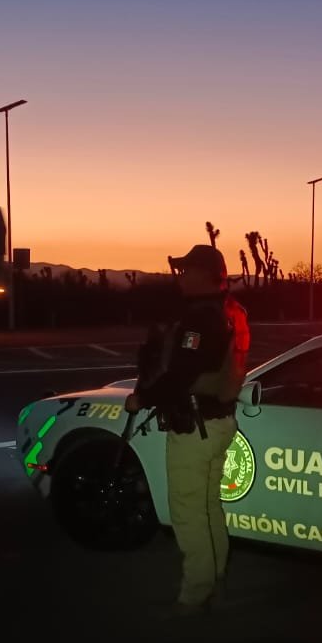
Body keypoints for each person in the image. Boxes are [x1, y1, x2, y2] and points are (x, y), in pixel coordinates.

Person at [125, 243, 250, 614]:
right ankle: (215, 579)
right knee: (209, 507)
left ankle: (195, 593)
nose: (180, 276)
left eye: (186, 270)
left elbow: (181, 374)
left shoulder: (201, 319)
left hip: (195, 428)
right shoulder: (230, 311)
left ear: (203, 275)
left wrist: (142, 398)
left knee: (188, 513)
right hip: (219, 422)